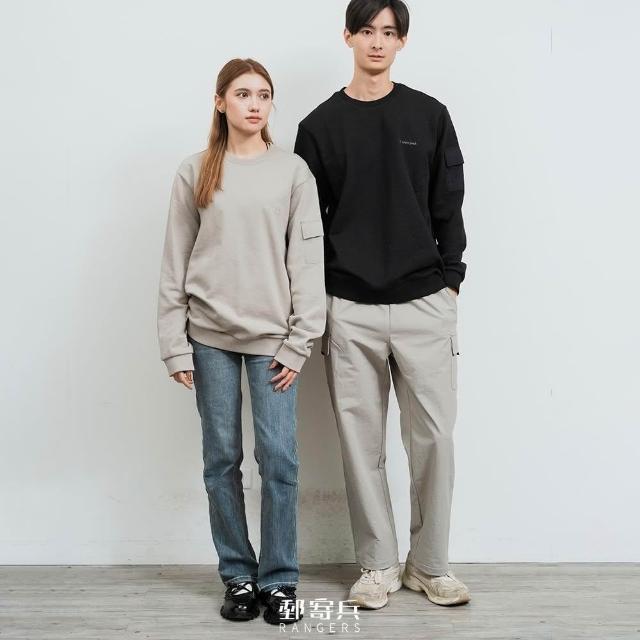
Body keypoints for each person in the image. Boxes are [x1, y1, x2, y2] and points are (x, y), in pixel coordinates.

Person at [294, 0, 471, 609]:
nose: (377, 41)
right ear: (347, 36)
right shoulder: (319, 127)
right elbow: (307, 225)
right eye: (367, 30)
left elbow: (449, 202)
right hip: (350, 306)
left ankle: (431, 565)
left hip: (425, 302)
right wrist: (320, 299)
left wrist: (451, 279)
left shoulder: (429, 114)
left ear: (402, 42)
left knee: (434, 440)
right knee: (360, 445)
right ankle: (377, 566)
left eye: (389, 32)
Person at [156, 58, 325, 625]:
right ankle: (238, 575)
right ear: (220, 101)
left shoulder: (293, 172)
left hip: (274, 341)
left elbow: (308, 264)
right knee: (221, 459)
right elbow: (174, 263)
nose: (255, 104)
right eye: (243, 94)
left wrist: (300, 340)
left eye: (264, 95)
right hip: (209, 339)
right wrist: (174, 345)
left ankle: (279, 580)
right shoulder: (195, 170)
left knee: (279, 459)